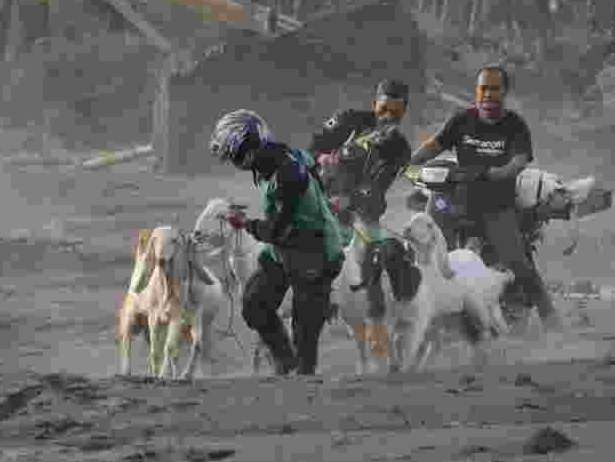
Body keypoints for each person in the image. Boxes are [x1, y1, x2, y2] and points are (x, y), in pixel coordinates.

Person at [407, 65, 561, 332]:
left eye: (494, 89)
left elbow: (519, 161)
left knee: (516, 261)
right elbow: (435, 145)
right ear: (476, 91)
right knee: (424, 240)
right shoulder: (461, 120)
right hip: (454, 198)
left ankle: (550, 317)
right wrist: (408, 162)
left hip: (496, 205)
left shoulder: (515, 125)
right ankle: (417, 307)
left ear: (505, 92)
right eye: (483, 88)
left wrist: (492, 173)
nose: (487, 94)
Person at [209, 109, 344, 376]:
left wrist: (244, 223)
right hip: (285, 249)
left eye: (236, 155)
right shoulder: (273, 163)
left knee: (305, 333)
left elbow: (273, 230)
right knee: (254, 305)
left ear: (252, 145)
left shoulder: (286, 173)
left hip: (315, 252)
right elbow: (314, 171)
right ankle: (285, 362)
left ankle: (303, 384)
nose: (236, 162)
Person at [308, 80, 414, 324]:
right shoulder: (348, 119)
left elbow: (378, 187)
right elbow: (316, 144)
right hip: (321, 194)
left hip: (362, 209)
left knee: (372, 262)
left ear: (404, 111)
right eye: (383, 108)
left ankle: (380, 317)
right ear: (374, 103)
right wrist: (321, 157)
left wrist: (349, 200)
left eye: (395, 111)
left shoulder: (400, 149)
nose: (388, 115)